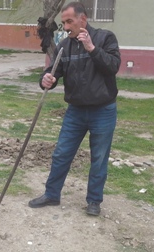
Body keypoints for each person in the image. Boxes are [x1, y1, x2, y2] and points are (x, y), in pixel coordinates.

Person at [28, 2, 121, 216]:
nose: (66, 26)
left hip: (102, 110)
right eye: (64, 23)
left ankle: (94, 201)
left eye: (70, 21)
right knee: (61, 153)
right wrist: (46, 79)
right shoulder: (64, 46)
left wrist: (92, 48)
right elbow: (52, 70)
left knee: (98, 158)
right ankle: (52, 194)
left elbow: (113, 66)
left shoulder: (105, 38)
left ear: (83, 20)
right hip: (75, 112)